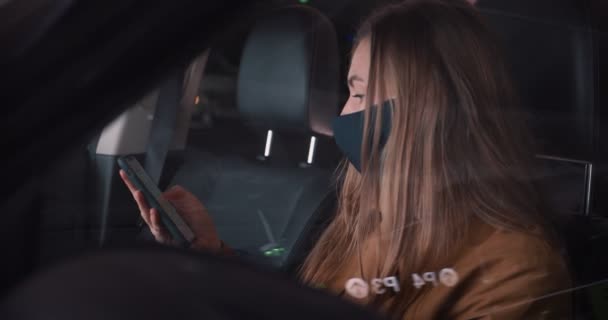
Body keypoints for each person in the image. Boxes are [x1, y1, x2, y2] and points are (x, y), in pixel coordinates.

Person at [120, 0, 572, 318]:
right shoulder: (365, 213)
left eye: (358, 92)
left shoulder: (516, 270)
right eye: (348, 91)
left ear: (428, 110)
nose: (342, 114)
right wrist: (209, 252)